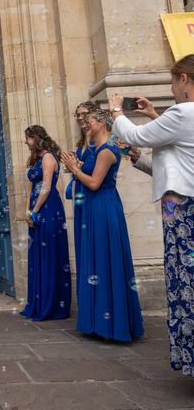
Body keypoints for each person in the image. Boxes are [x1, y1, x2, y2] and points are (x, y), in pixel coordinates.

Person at [109, 55, 194, 373]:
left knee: (187, 286)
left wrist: (117, 109)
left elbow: (136, 135)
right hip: (183, 209)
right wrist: (153, 115)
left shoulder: (184, 112)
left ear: (184, 79)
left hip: (185, 213)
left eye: (173, 82)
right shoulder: (183, 116)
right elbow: (174, 159)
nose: (172, 88)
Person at [61, 110, 144, 341]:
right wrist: (76, 164)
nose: (86, 124)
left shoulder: (107, 150)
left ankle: (112, 325)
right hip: (92, 208)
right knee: (96, 261)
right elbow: (87, 174)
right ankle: (97, 322)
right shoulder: (94, 150)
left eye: (90, 121)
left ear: (103, 123)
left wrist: (74, 168)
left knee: (106, 260)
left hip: (103, 208)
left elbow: (95, 183)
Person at [20, 126, 71, 321]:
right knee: (38, 255)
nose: (26, 142)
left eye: (28, 138)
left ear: (36, 138)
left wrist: (35, 211)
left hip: (48, 209)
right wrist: (28, 212)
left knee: (49, 254)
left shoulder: (49, 157)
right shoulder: (36, 160)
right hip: (36, 210)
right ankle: (38, 303)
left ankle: (51, 305)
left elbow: (47, 187)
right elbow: (31, 187)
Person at [66, 101, 99, 284]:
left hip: (91, 193)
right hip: (81, 192)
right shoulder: (83, 141)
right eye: (77, 115)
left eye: (83, 114)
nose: (79, 118)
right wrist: (75, 164)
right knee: (83, 242)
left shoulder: (98, 142)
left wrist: (75, 168)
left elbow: (95, 173)